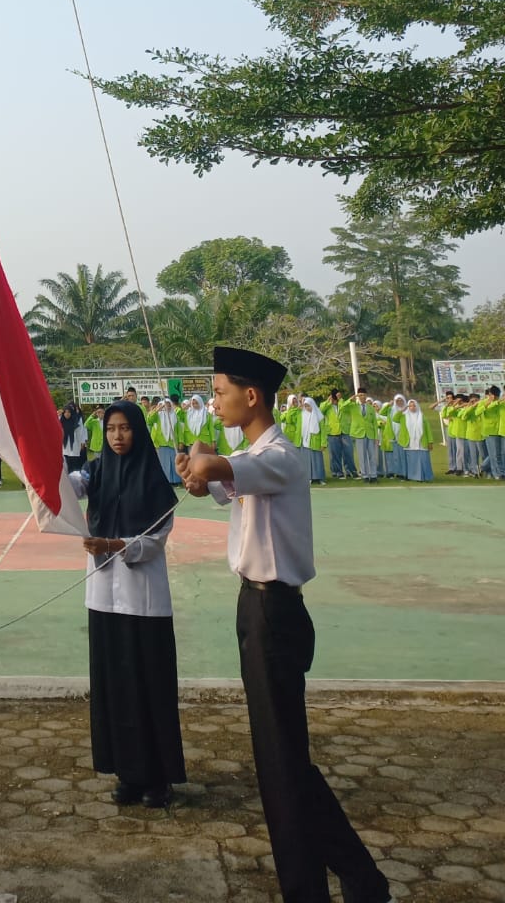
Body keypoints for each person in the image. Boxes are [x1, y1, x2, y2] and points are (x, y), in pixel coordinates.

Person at [178, 345, 391, 903]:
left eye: (220, 392)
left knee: (283, 764)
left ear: (252, 397)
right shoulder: (254, 455)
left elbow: (214, 468)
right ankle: (358, 879)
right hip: (256, 608)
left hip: (274, 611)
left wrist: (200, 459)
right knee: (281, 760)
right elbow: (212, 480)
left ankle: (326, 884)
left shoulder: (279, 456)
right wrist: (199, 469)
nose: (215, 402)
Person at [66, 400, 185, 808]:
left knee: (147, 687)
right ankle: (126, 773)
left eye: (126, 428)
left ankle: (157, 777)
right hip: (103, 597)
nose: (118, 436)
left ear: (138, 431)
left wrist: (113, 544)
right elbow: (68, 486)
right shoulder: (95, 471)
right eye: (111, 429)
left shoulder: (153, 480)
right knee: (114, 686)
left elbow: (154, 541)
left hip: (142, 599)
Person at [395, 399, 435, 481]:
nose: (412, 407)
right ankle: (413, 476)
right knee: (412, 461)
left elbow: (428, 430)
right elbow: (395, 419)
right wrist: (402, 409)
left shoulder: (422, 416)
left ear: (417, 406)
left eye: (414, 406)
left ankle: (425, 476)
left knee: (423, 459)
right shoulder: (404, 417)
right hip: (410, 443)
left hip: (421, 442)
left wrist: (430, 442)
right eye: (410, 406)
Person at [59, 405, 88, 474]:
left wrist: (82, 442)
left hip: (75, 447)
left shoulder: (76, 421)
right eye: (65, 412)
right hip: (64, 448)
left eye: (69, 412)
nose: (67, 414)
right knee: (66, 467)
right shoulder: (60, 421)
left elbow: (81, 432)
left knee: (75, 467)